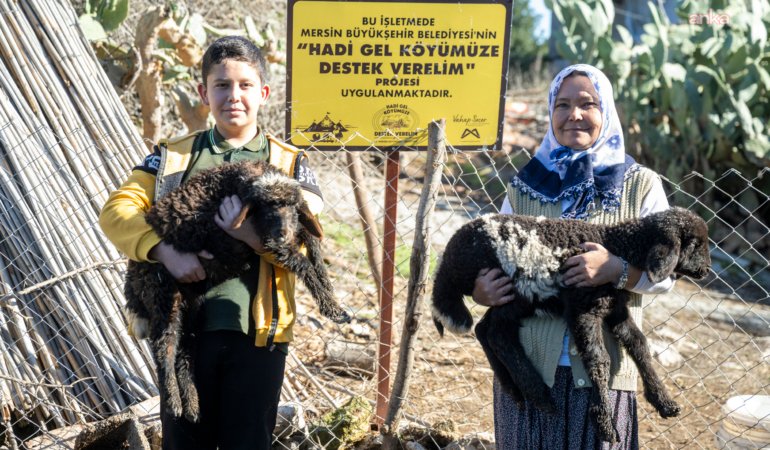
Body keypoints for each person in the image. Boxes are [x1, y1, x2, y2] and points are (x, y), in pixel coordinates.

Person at [99, 36, 323, 450]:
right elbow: (116, 212)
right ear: (204, 92)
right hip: (184, 332)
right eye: (221, 85)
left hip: (258, 337)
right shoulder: (172, 158)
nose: (233, 96)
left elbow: (304, 246)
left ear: (264, 93)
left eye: (244, 85)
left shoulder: (291, 164)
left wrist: (250, 237)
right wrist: (164, 251)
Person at [472, 64, 674, 449]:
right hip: (529, 369)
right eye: (562, 105)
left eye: (588, 103)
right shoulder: (527, 187)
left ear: (607, 111)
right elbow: (488, 257)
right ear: (550, 113)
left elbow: (665, 275)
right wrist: (481, 290)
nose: (574, 115)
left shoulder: (639, 186)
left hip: (603, 373)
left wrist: (616, 270)